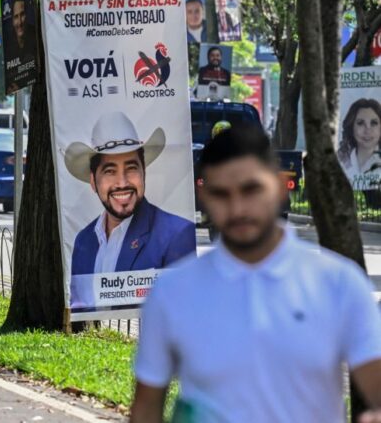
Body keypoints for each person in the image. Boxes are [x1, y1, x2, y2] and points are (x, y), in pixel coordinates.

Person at [131, 126, 381, 422]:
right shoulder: (171, 291)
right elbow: (146, 408)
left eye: (251, 190)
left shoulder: (338, 283)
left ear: (277, 185)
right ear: (204, 195)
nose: (237, 208)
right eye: (221, 194)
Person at [66, 111, 195, 275]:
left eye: (131, 168)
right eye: (110, 171)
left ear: (144, 173)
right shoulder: (83, 241)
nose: (122, 182)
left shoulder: (178, 235)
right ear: (93, 181)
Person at [338, 98, 381, 190]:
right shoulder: (340, 160)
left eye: (374, 123)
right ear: (351, 127)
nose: (367, 130)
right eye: (360, 123)